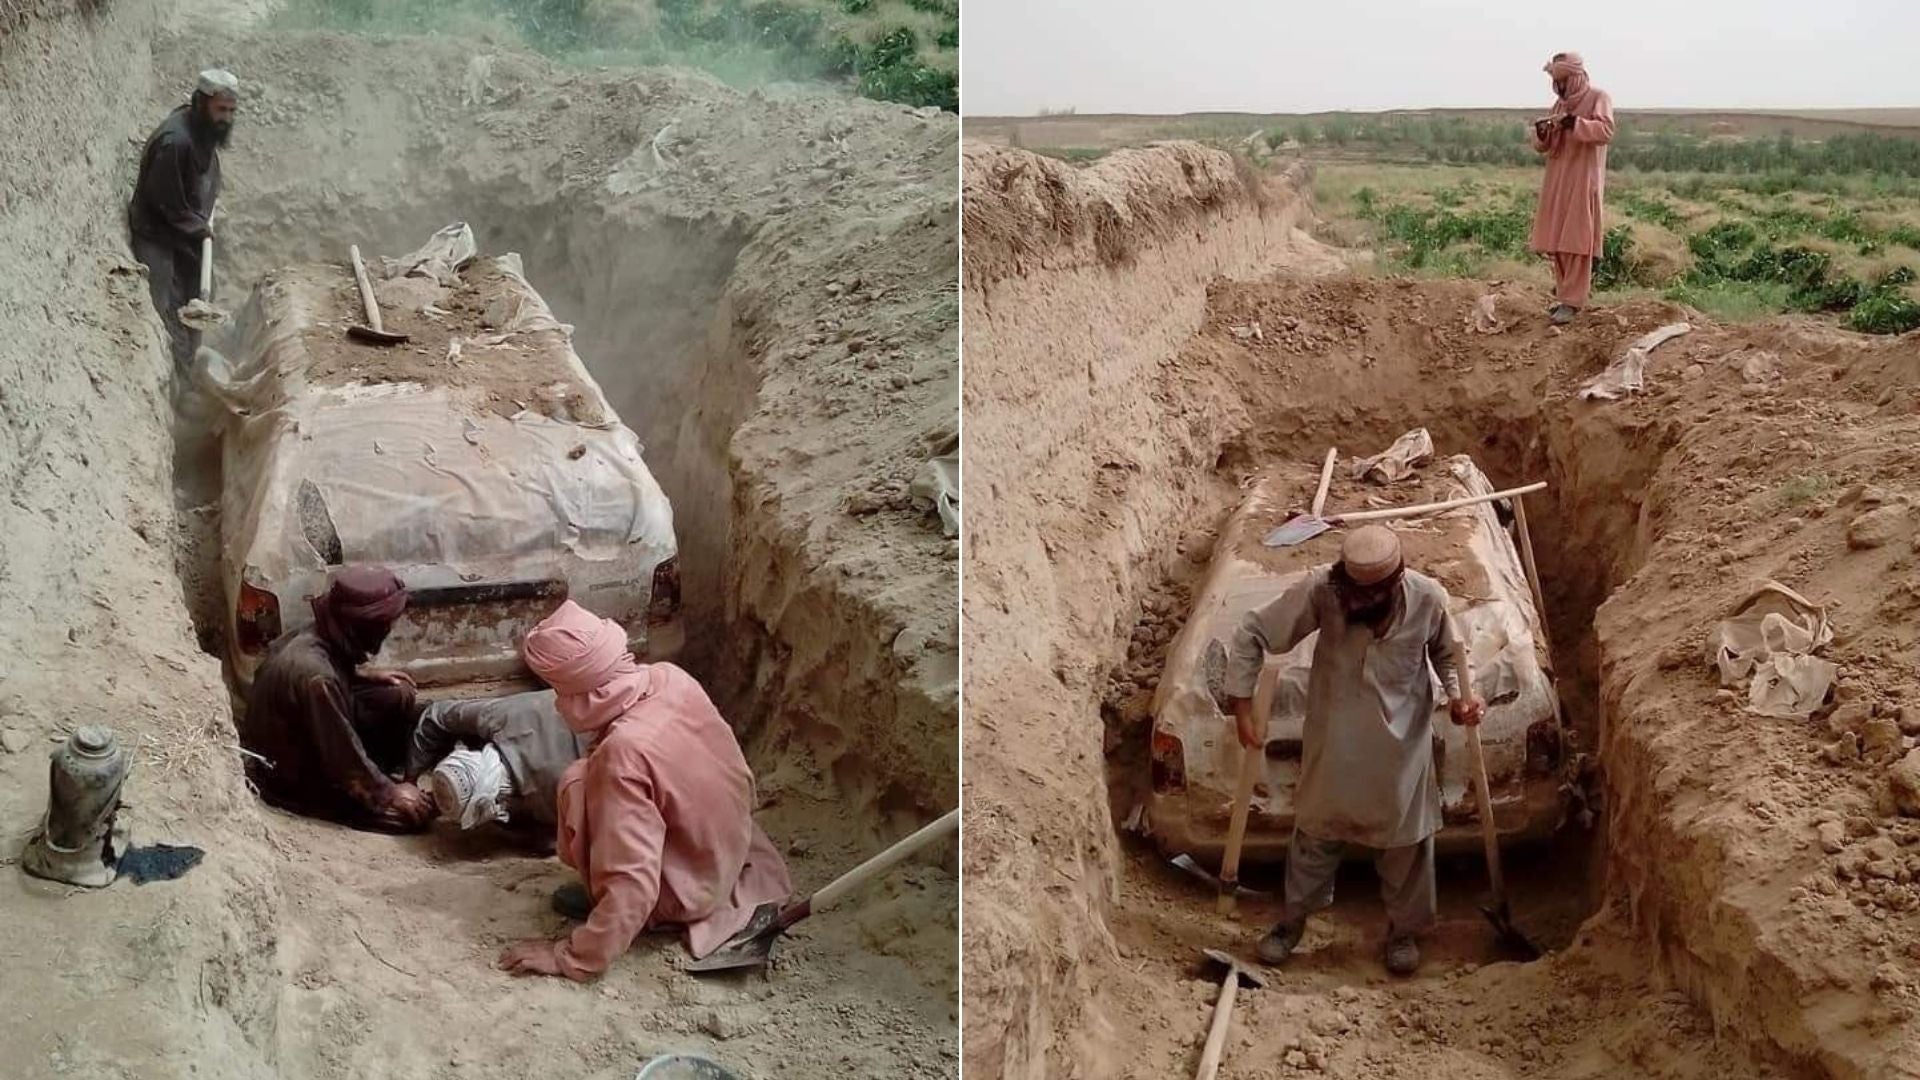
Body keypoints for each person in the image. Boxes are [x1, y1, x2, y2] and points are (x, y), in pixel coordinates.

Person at [1222, 526, 1484, 976]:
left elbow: (1448, 653)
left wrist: (1460, 696)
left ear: (1394, 583)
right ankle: (1291, 923)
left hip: (1402, 748)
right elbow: (1252, 633)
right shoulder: (1322, 591)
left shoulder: (1427, 597)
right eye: (1353, 594)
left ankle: (1403, 932)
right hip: (1335, 738)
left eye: (1370, 597)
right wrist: (1242, 707)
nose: (1359, 604)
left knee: (1406, 843)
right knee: (1316, 834)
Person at [497, 601, 792, 981]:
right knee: (597, 776)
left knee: (579, 783)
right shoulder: (668, 677)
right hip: (733, 849)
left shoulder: (624, 753)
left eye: (557, 689)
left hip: (694, 889)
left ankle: (650, 916)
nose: (556, 703)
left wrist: (573, 957)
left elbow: (632, 881)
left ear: (577, 685)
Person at [237, 567, 437, 833]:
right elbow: (340, 754)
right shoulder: (317, 679)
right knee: (411, 816)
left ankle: (378, 773)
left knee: (397, 692)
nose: (389, 629)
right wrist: (388, 792)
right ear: (361, 625)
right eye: (384, 624)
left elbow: (331, 676)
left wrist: (361, 677)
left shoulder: (318, 635)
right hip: (289, 775)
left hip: (308, 734)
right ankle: (375, 782)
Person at [129, 68, 236, 378]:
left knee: (201, 293)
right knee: (166, 302)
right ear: (202, 103)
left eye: (231, 111)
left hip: (186, 225)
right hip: (158, 231)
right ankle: (175, 374)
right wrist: (200, 228)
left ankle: (191, 358)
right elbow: (165, 202)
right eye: (221, 110)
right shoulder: (174, 142)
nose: (226, 118)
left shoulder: (203, 128)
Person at [404, 689, 587, 834]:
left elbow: (553, 842)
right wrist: (409, 782)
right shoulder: (503, 717)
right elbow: (437, 716)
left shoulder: (554, 800)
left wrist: (409, 780)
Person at [1527, 52, 1614, 326]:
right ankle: (1565, 294)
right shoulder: (1558, 105)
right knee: (1558, 240)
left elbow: (1605, 131)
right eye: (1557, 81)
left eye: (1564, 80)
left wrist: (1575, 123)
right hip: (1558, 178)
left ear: (1575, 77)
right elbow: (1545, 146)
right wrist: (1544, 132)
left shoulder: (1599, 97)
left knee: (1576, 240)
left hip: (1582, 178)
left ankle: (1573, 302)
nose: (1561, 86)